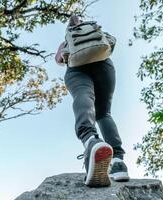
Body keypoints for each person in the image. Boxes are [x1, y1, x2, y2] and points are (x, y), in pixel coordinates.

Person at [55, 15, 130, 187]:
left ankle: (90, 140)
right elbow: (110, 43)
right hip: (104, 65)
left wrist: (70, 49)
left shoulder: (67, 38)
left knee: (83, 96)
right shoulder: (96, 28)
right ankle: (118, 162)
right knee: (104, 113)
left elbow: (59, 60)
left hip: (76, 70)